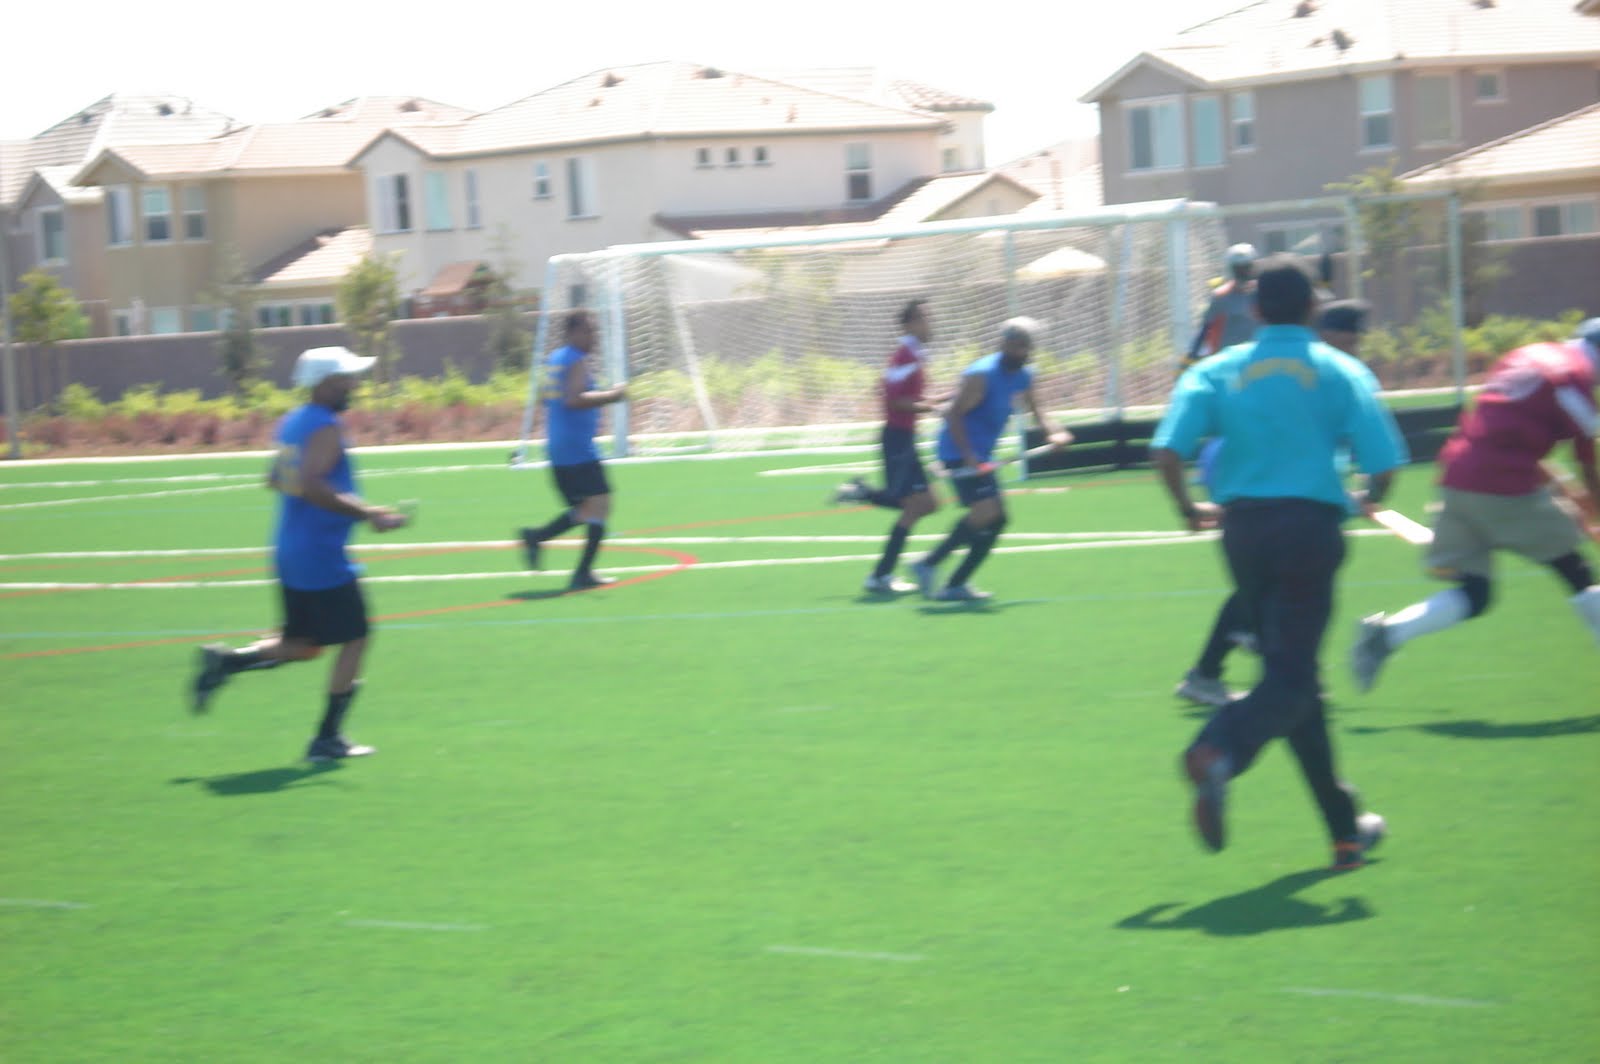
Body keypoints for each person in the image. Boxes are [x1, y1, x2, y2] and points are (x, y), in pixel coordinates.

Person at [1151, 257, 1407, 870]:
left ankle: (1345, 830)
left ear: (1256, 309)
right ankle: (1219, 751)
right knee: (1291, 679)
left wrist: (1189, 508)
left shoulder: (1218, 370)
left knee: (1297, 680)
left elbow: (1166, 450)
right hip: (1309, 532)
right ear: (1314, 310)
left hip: (1243, 533)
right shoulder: (1342, 370)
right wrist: (1370, 501)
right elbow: (1386, 464)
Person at [1350, 317, 1600, 690]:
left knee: (1475, 593)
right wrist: (1590, 508)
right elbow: (1587, 463)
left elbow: (1505, 428)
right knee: (1577, 572)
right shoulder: (1575, 379)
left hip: (1457, 474)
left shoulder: (1528, 355)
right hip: (1502, 485)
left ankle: (1386, 635)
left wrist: (1571, 496)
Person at [190, 346, 410, 762]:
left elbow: (275, 478)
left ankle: (227, 663)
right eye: (346, 378)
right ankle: (327, 738)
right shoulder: (326, 426)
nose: (354, 385)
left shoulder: (293, 422)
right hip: (319, 555)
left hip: (291, 548)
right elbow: (310, 484)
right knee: (357, 638)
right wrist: (368, 514)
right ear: (326, 384)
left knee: (304, 644)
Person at [1175, 298, 1373, 707]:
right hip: (1255, 481)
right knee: (1290, 586)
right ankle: (1289, 683)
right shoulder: (1319, 366)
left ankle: (1217, 671)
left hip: (1271, 486)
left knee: (1266, 586)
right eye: (1351, 340)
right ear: (1329, 332)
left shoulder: (1323, 367)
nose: (1355, 349)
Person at [909, 317, 1071, 602]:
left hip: (981, 454)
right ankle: (927, 564)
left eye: (1028, 347)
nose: (1025, 353)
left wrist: (1054, 433)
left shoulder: (1025, 375)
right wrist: (968, 456)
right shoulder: (981, 375)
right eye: (1020, 346)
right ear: (1005, 344)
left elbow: (1038, 409)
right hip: (957, 451)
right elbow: (954, 415)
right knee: (986, 512)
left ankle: (955, 584)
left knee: (997, 520)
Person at [833, 299, 945, 593]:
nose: (930, 323)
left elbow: (887, 389)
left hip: (903, 437)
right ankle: (880, 576)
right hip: (898, 438)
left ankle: (863, 494)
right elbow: (896, 400)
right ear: (909, 325)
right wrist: (930, 409)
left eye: (930, 317)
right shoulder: (906, 355)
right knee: (915, 506)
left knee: (928, 503)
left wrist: (944, 400)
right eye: (924, 318)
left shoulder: (912, 355)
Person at [519, 309, 628, 592]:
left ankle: (537, 536)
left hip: (559, 448)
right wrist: (612, 396)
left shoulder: (555, 359)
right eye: (588, 331)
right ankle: (582, 574)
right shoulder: (576, 360)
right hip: (577, 450)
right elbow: (573, 399)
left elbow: (549, 399)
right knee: (600, 506)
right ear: (572, 333)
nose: (593, 337)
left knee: (586, 508)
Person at [1183, 243, 1258, 366]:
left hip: (1258, 361)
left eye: (1246, 267)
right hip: (1228, 361)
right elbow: (1205, 328)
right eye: (1238, 268)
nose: (1243, 272)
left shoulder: (1263, 294)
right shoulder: (1221, 296)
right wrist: (1192, 356)